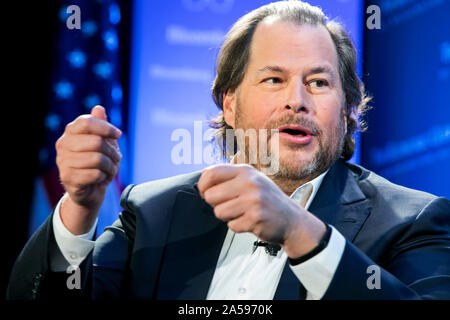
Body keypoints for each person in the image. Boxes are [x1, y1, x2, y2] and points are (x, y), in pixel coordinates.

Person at [7, 1, 450, 300]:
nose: (297, 99)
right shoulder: (155, 213)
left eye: (318, 82)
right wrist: (80, 209)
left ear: (348, 108)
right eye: (273, 79)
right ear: (230, 104)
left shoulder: (412, 220)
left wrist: (302, 233)